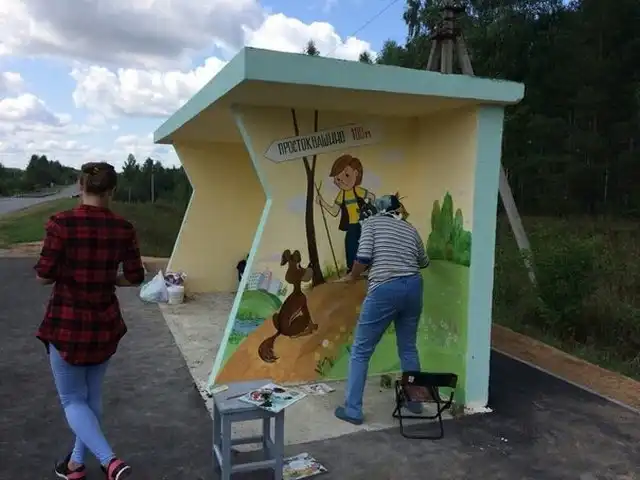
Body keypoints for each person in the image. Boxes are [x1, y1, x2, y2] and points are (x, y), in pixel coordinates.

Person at [35, 162, 145, 480]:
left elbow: (44, 276)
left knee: (72, 399)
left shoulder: (61, 223)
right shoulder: (123, 228)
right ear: (113, 190)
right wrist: (107, 279)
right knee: (91, 397)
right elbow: (135, 277)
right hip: (104, 326)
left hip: (67, 325)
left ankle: (110, 461)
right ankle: (75, 464)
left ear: (80, 186)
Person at [334, 194, 429, 425]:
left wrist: (352, 277)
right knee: (408, 347)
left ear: (376, 210)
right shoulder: (410, 228)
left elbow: (363, 257)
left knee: (361, 350)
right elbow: (424, 262)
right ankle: (415, 401)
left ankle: (353, 410)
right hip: (414, 287)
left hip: (385, 288)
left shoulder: (371, 224)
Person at [316, 154, 376, 272]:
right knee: (350, 245)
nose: (342, 181)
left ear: (356, 173)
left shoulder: (358, 191)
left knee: (365, 245)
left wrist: (368, 209)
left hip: (363, 224)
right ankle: (352, 269)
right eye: (338, 179)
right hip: (351, 225)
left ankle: (367, 267)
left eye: (347, 175)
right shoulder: (342, 194)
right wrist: (322, 202)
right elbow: (334, 211)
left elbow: (372, 197)